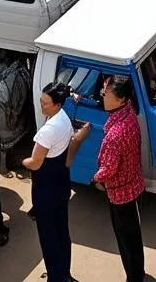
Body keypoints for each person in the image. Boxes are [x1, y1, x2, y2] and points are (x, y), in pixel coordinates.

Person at [22, 82, 90, 282]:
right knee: (61, 231)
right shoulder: (64, 119)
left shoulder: (47, 131)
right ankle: (65, 274)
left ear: (57, 104)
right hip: (61, 183)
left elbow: (35, 163)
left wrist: (22, 161)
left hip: (45, 189)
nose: (41, 106)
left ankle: (56, 277)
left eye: (45, 103)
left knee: (48, 236)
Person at [93, 76, 145, 282]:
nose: (102, 97)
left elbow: (109, 168)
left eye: (106, 95)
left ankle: (134, 277)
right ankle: (137, 273)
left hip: (121, 192)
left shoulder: (115, 134)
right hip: (134, 183)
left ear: (121, 99)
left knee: (126, 239)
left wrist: (96, 177)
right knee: (134, 236)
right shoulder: (129, 114)